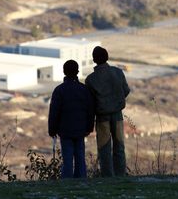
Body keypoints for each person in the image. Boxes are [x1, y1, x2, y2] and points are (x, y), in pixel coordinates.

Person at [85, 46, 130, 177]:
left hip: (102, 117)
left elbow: (90, 103)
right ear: (107, 57)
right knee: (119, 145)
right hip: (117, 115)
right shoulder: (117, 72)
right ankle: (120, 173)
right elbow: (126, 91)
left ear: (94, 60)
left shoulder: (91, 79)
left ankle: (107, 175)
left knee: (104, 148)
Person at [48, 60, 94, 179]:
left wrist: (52, 130)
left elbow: (54, 112)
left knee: (67, 159)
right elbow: (90, 110)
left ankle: (67, 183)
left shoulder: (59, 90)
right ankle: (82, 181)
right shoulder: (84, 90)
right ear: (77, 71)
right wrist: (89, 128)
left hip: (65, 131)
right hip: (80, 130)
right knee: (80, 158)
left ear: (64, 72)